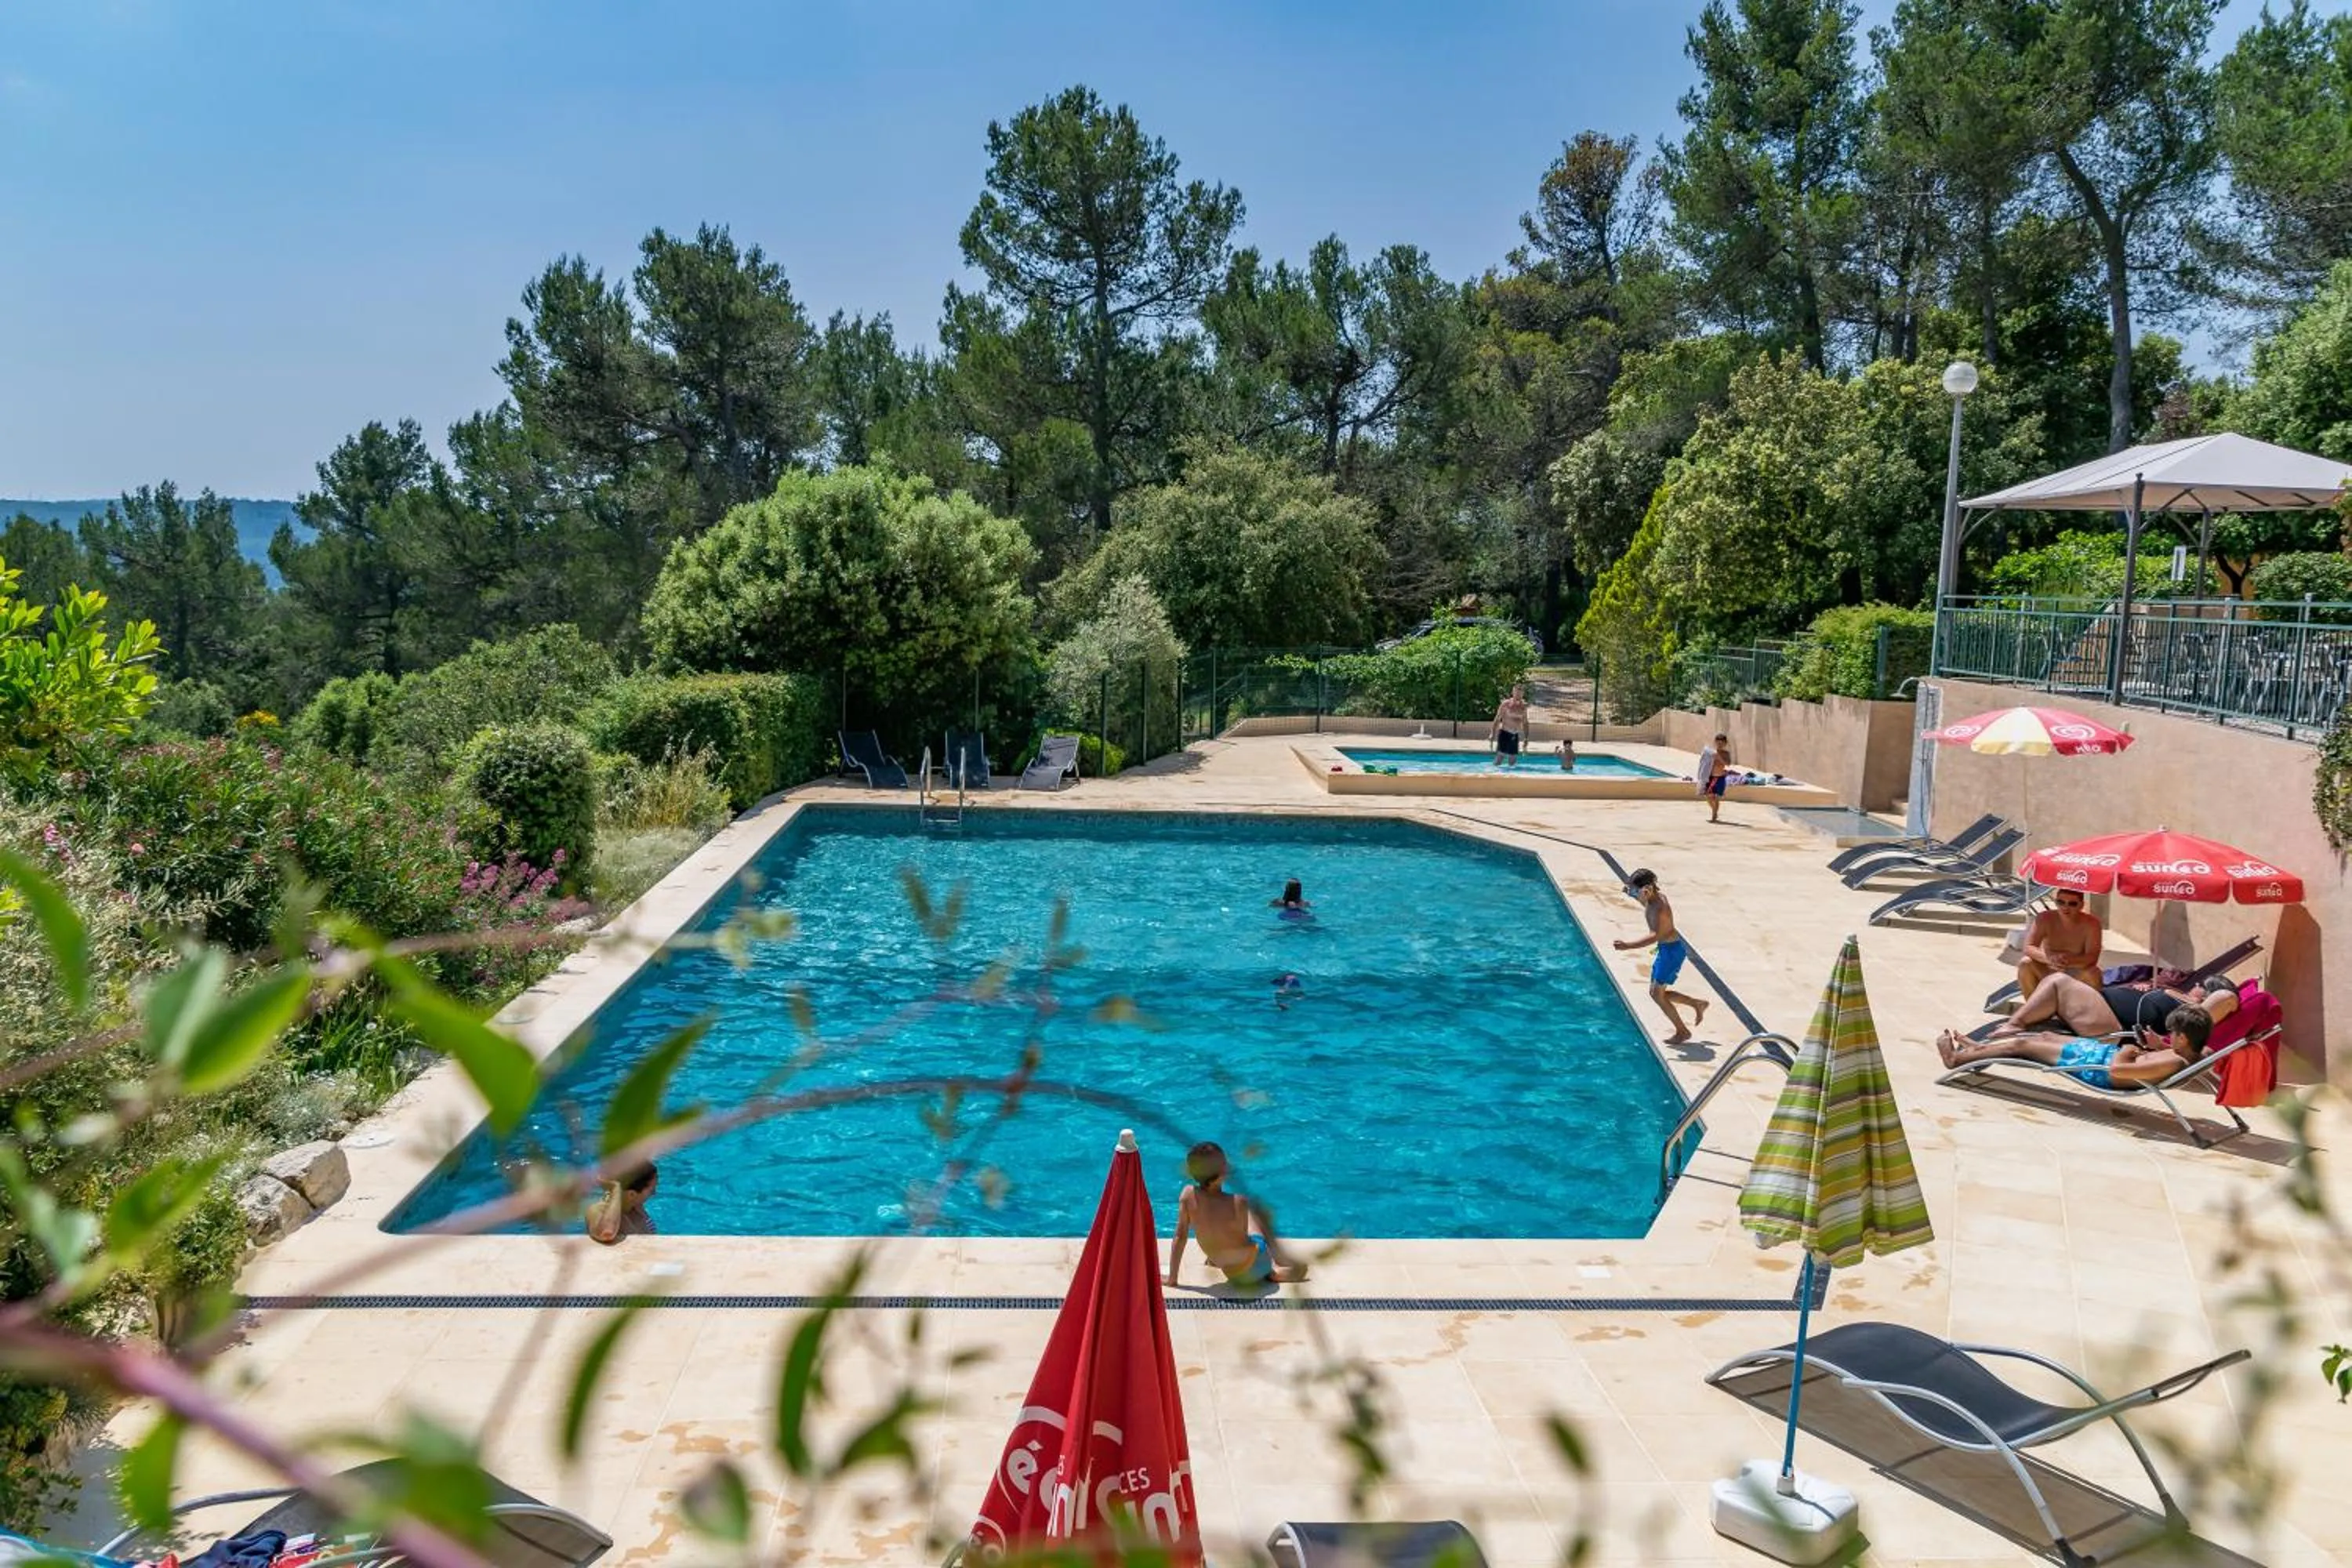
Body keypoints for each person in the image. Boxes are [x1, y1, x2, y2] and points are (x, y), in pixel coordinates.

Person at [1937, 1005, 2215, 1087]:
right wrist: (2155, 1047)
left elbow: (2118, 1071)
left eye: (2173, 1033)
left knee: (2023, 1044)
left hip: (2096, 1067)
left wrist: (2129, 1049)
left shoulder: (2175, 1060)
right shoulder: (2190, 1052)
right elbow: (2208, 1053)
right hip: (2099, 1056)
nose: (2170, 1035)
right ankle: (1978, 1051)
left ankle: (1956, 1060)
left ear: (2183, 1038)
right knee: (2046, 1035)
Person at [1167, 1142, 1307, 1289]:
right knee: (1256, 1215)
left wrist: (1172, 1279)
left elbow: (1180, 1237)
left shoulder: (1187, 1195)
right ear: (1223, 1171)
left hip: (1231, 1273)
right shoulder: (1238, 1202)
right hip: (1254, 1267)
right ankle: (1274, 1268)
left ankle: (1215, 1260)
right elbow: (1244, 1241)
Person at [1987, 971, 2240, 1042]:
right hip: (2103, 1009)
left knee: (2058, 982)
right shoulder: (2182, 999)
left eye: (2200, 985)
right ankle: (2018, 1024)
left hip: (2114, 1030)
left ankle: (2015, 1024)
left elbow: (2226, 998)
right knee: (2055, 982)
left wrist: (2210, 1000)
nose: (2194, 985)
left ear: (2208, 993)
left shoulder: (2195, 1013)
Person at [1613, 868, 1711, 1045]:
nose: (1634, 893)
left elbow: (1655, 935)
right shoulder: (1652, 899)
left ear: (1647, 889)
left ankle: (1683, 1031)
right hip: (1666, 950)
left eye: (1635, 890)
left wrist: (1628, 946)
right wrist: (1632, 894)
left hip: (1672, 953)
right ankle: (1696, 1004)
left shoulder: (1659, 907)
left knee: (1657, 994)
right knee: (1657, 993)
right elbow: (1645, 902)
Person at [2016, 891, 2103, 991]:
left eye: (2072, 904)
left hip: (2076, 974)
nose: (2065, 907)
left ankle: (2088, 1002)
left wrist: (2068, 961)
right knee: (2025, 963)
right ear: (2056, 902)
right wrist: (2050, 959)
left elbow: (2092, 957)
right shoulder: (2044, 918)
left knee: (2094, 973)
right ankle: (2033, 1001)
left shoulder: (2091, 924)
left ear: (2081, 905)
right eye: (2061, 902)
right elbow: (2029, 947)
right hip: (2048, 970)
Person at [586, 1163, 659, 1244]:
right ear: (632, 1195)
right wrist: (615, 1188)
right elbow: (606, 1233)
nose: (654, 1193)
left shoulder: (636, 1208)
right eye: (651, 1191)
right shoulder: (598, 1210)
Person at [1695, 732, 1733, 822]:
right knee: (1709, 796)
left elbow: (1728, 764)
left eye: (1722, 743)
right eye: (1718, 743)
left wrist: (1719, 757)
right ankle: (1714, 811)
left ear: (1725, 744)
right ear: (1715, 742)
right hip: (1711, 778)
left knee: (1716, 798)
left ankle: (1714, 815)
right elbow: (1703, 762)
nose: (1720, 745)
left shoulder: (1726, 754)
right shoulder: (1711, 753)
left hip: (1720, 778)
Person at [1490, 684, 1530, 769]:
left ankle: (1511, 776)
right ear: (1513, 693)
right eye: (1516, 693)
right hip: (1504, 733)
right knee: (1500, 758)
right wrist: (1492, 733)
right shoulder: (1506, 704)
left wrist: (1526, 738)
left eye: (1520, 694)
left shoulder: (1523, 707)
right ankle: (1492, 774)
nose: (1518, 696)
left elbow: (1525, 723)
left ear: (1523, 694)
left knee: (1513, 761)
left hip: (1515, 735)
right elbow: (1497, 719)